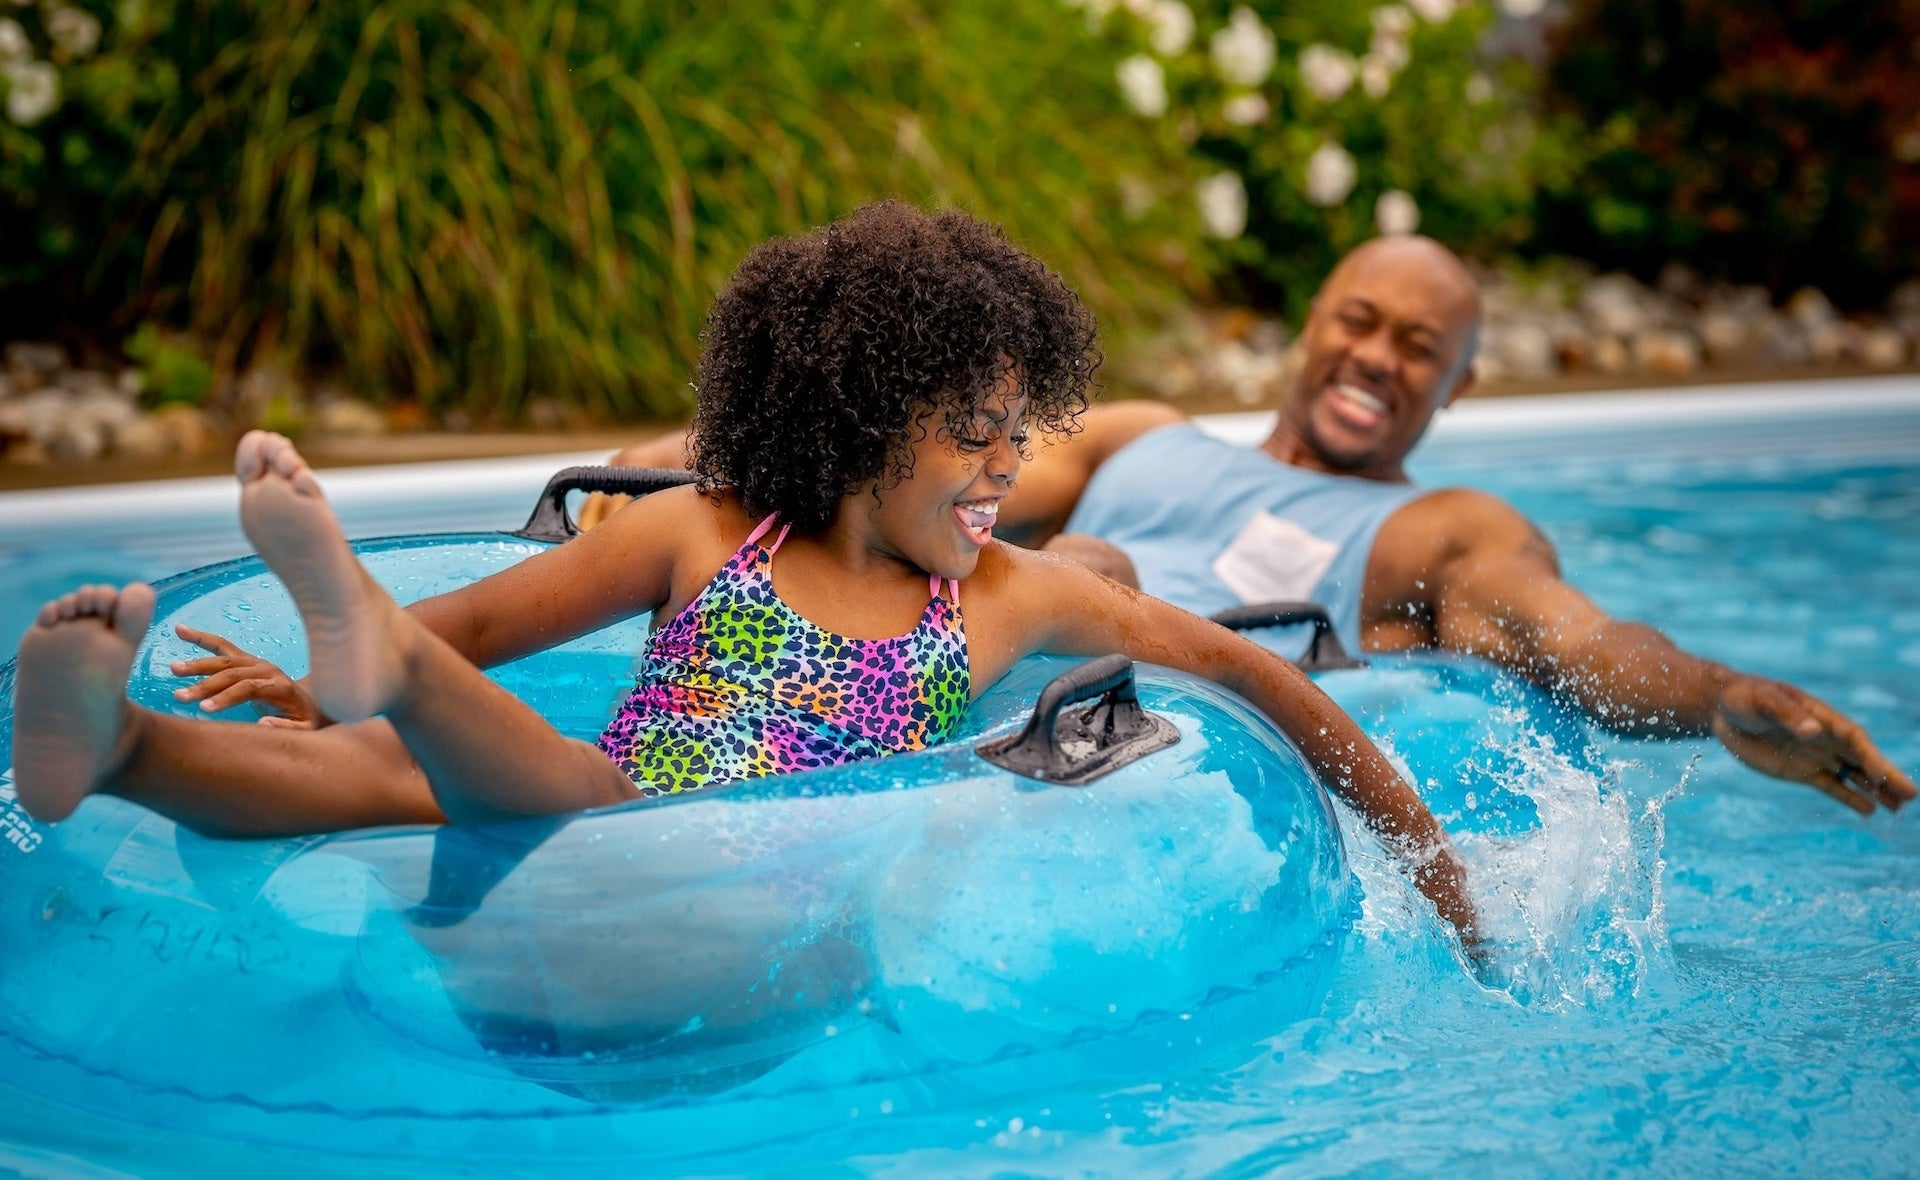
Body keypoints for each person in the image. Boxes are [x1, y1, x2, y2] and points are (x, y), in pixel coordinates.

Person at [11, 203, 1481, 950]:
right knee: (398, 775)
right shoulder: (702, 529)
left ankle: (366, 669)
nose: (1002, 475)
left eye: (1014, 441)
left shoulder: (1010, 598)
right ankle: (122, 747)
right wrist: (315, 687)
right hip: (599, 824)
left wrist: (1429, 860)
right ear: (854, 423)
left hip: (762, 902)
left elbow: (1247, 669)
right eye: (969, 442)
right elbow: (467, 622)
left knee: (542, 777)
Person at [582, 234, 1914, 817]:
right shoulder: (1140, 433)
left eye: (1421, 348)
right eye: (1359, 321)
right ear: (1311, 323)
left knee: (1081, 567)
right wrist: (643, 470)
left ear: (1458, 388)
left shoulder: (1445, 530)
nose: (1377, 358)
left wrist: (1720, 694)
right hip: (956, 668)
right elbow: (893, 450)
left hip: (1142, 704)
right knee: (1066, 558)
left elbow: (1581, 642)